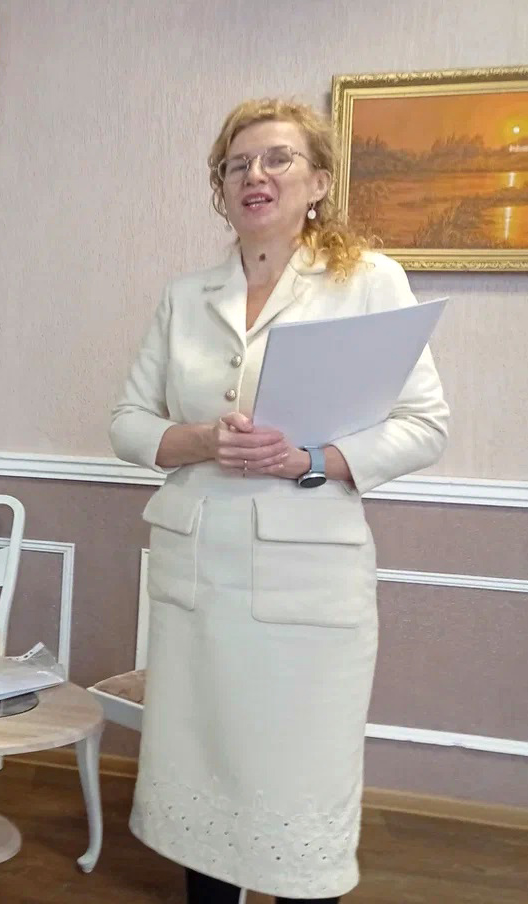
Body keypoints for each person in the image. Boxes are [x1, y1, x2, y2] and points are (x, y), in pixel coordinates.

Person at [110, 98, 448, 903]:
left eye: (276, 159)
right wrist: (200, 439)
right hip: (198, 582)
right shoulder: (185, 295)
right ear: (220, 188)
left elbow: (424, 425)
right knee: (204, 771)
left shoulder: (366, 282)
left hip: (308, 592)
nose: (253, 175)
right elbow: (126, 423)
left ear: (318, 182)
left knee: (301, 785)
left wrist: (309, 460)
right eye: (236, 164)